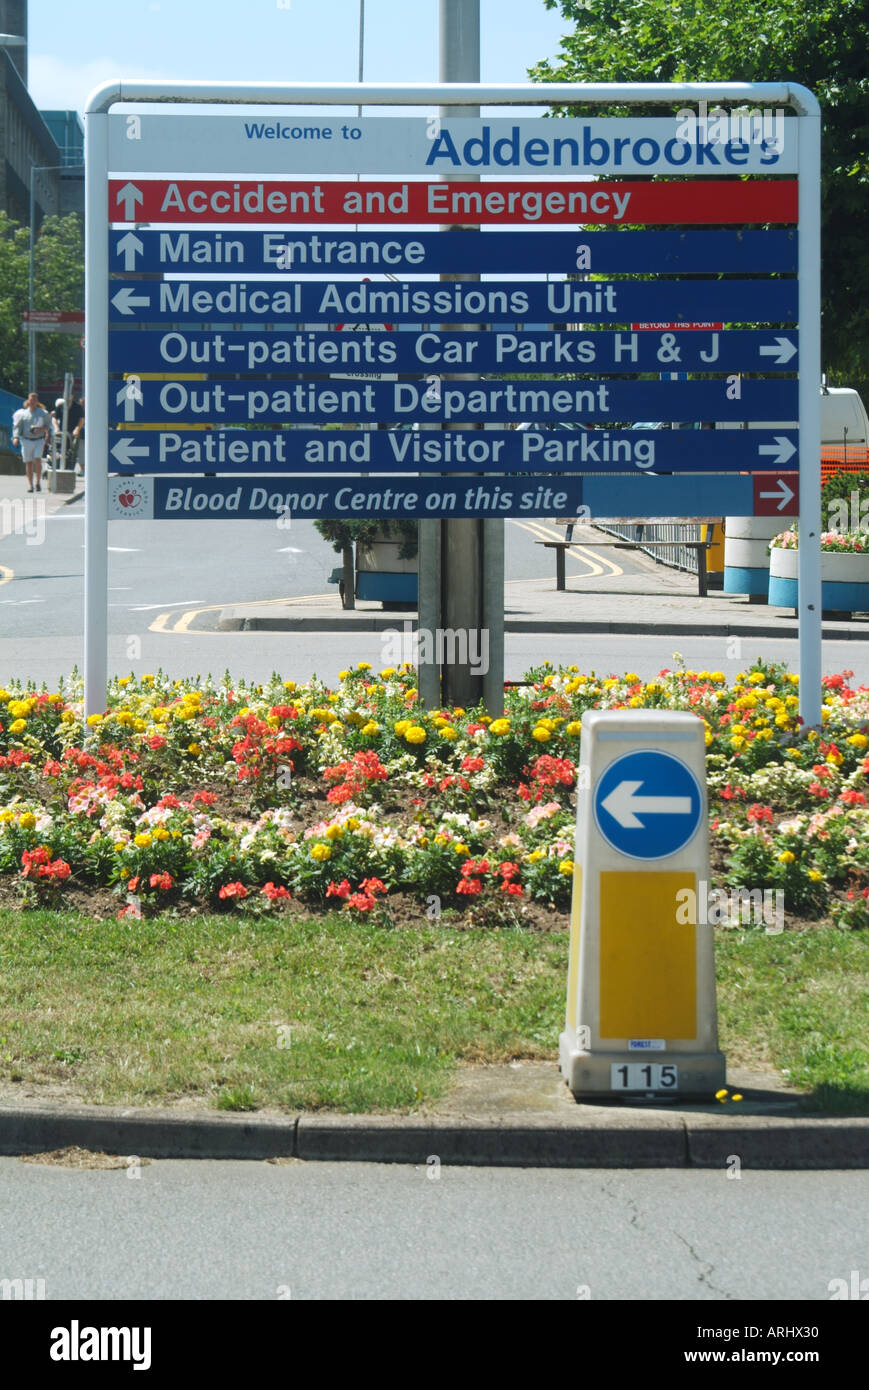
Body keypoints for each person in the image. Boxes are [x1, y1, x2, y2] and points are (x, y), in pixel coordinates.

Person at [12, 393, 51, 492]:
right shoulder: (23, 414)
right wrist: (15, 437)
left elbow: (48, 426)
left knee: (38, 459)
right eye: (31, 400)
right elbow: (17, 427)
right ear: (28, 401)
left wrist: (42, 430)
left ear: (37, 401)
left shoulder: (43, 413)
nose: (32, 402)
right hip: (26, 440)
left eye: (34, 400)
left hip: (39, 440)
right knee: (28, 462)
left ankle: (38, 482)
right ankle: (30, 485)